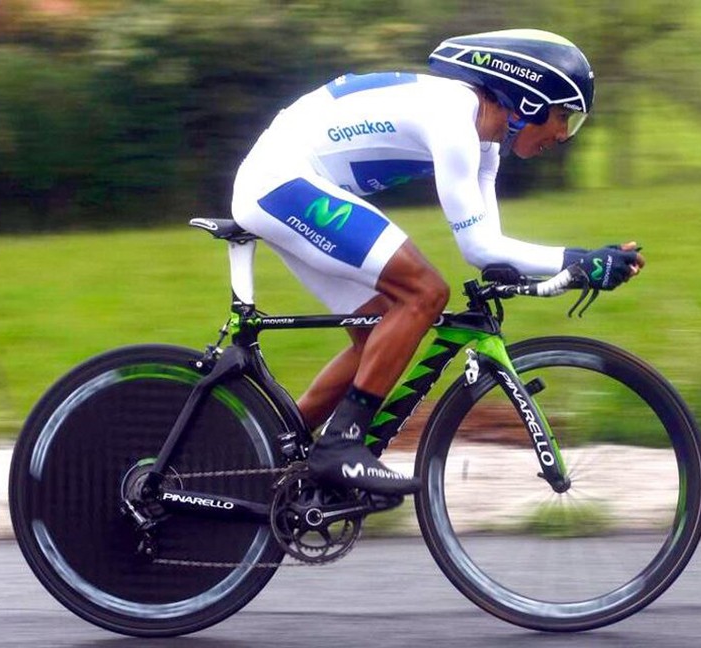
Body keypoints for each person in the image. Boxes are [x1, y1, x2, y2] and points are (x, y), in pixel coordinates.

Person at [231, 29, 645, 496]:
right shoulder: (454, 119)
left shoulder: (485, 143)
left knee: (381, 330)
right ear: (529, 101)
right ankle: (340, 447)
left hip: (295, 182)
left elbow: (491, 243)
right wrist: (578, 262)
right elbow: (480, 249)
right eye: (564, 118)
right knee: (425, 293)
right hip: (282, 179)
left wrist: (576, 265)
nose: (563, 136)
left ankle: (266, 459)